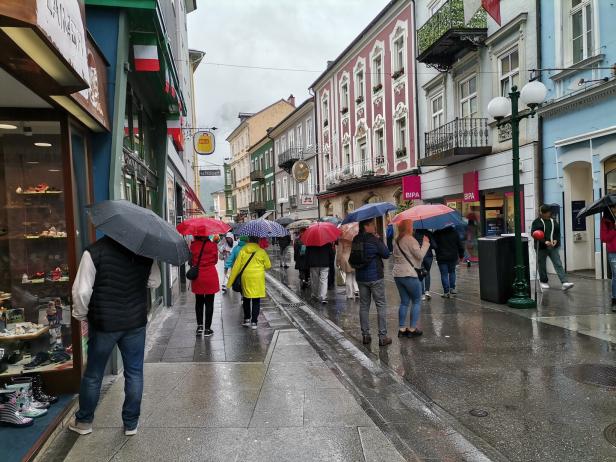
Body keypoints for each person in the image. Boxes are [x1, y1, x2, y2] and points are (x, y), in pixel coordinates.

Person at [69, 236, 161, 436]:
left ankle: (84, 422)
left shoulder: (94, 251)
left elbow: (81, 291)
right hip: (135, 322)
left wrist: (81, 315)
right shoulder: (144, 252)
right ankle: (131, 423)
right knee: (134, 372)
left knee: (94, 374)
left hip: (104, 323)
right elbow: (155, 282)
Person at [350, 218, 392, 346]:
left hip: (361, 277)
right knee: (380, 305)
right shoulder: (374, 239)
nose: (374, 226)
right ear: (366, 226)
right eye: (372, 224)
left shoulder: (356, 239)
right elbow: (386, 254)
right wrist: (379, 239)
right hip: (375, 277)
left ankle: (365, 335)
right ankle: (382, 337)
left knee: (364, 306)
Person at [393, 220, 429, 337]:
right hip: (409, 274)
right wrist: (425, 244)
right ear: (408, 227)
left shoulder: (396, 239)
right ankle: (412, 329)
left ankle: (402, 329)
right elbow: (419, 256)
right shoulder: (410, 239)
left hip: (398, 274)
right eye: (411, 225)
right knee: (416, 301)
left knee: (404, 302)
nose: (413, 227)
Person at [226, 236, 271, 329]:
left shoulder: (243, 251)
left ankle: (247, 319)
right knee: (256, 300)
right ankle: (254, 322)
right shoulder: (261, 251)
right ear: (257, 241)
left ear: (248, 241)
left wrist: (229, 283)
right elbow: (268, 265)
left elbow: (236, 267)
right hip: (258, 278)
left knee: (246, 298)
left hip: (245, 277)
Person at [531, 204, 574, 291]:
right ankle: (544, 281)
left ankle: (564, 282)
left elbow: (557, 232)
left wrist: (556, 240)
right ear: (541, 213)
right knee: (541, 264)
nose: (547, 214)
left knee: (558, 263)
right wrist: (544, 241)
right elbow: (534, 234)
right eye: (545, 213)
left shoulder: (553, 221)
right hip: (541, 247)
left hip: (553, 247)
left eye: (548, 213)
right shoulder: (537, 222)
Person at [190, 235, 220, 336]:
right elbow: (215, 260)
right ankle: (207, 329)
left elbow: (191, 260)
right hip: (210, 275)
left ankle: (199, 327)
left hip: (198, 276)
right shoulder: (213, 245)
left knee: (198, 302)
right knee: (209, 303)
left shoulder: (193, 246)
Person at [433, 225, 464, 298]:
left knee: (444, 274)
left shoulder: (437, 233)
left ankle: (446, 292)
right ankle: (452, 288)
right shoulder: (454, 232)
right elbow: (460, 245)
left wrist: (437, 250)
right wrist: (461, 255)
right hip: (453, 257)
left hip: (441, 257)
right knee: (452, 272)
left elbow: (434, 244)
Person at [601, 207, 616, 311]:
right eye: (613, 208)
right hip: (613, 251)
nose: (615, 209)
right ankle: (614, 300)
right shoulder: (605, 221)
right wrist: (614, 229)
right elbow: (604, 238)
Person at [413, 228, 435, 300]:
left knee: (420, 273)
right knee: (427, 273)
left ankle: (422, 294)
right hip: (428, 256)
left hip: (418, 255)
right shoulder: (428, 233)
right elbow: (434, 245)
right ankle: (427, 291)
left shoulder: (414, 234)